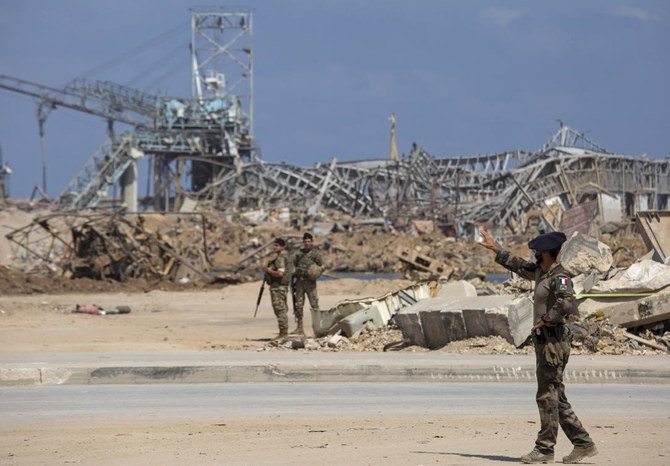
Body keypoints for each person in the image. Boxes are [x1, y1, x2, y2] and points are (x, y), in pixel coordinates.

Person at [478, 227, 598, 464]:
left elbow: (566, 303)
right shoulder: (541, 272)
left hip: (553, 341)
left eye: (537, 250)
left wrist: (545, 319)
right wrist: (496, 249)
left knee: (546, 396)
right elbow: (518, 265)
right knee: (555, 396)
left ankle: (544, 449)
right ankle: (583, 443)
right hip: (545, 341)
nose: (534, 253)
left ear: (545, 252)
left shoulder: (559, 276)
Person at [292, 232, 323, 335]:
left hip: (310, 283)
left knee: (314, 305)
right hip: (300, 283)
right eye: (305, 241)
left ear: (312, 242)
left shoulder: (315, 254)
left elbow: (320, 267)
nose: (307, 243)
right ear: (303, 242)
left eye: (309, 241)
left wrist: (313, 273)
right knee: (299, 306)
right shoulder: (299, 254)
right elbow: (294, 266)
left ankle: (319, 328)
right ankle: (300, 328)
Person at [264, 238, 292, 340]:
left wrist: (269, 271)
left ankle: (283, 334)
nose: (274, 247)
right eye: (274, 245)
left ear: (282, 247)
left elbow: (280, 273)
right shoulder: (283, 257)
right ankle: (283, 332)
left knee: (280, 310)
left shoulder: (280, 258)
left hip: (278, 288)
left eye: (277, 245)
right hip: (280, 287)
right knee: (281, 309)